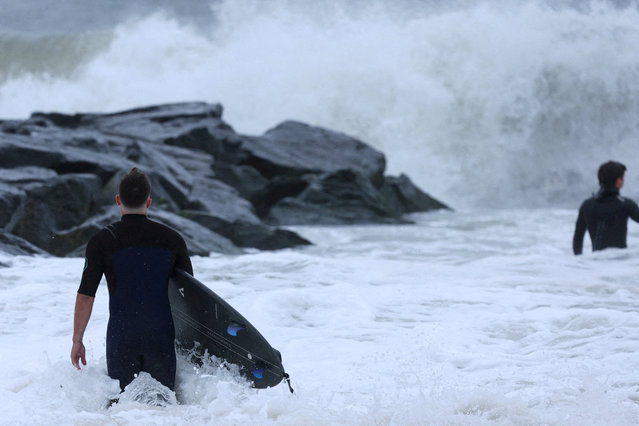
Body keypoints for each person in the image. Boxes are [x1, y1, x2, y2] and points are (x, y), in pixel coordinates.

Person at [71, 167, 193, 391]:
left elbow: (86, 294)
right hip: (161, 335)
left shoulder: (102, 240)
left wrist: (77, 340)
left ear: (118, 200)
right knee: (163, 407)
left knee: (123, 408)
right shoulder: (172, 239)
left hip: (122, 336)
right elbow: (188, 294)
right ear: (149, 202)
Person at [573, 160, 639, 255]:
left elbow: (577, 240)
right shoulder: (625, 204)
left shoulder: (587, 205)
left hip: (596, 264)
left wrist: (581, 266)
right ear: (618, 181)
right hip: (621, 264)